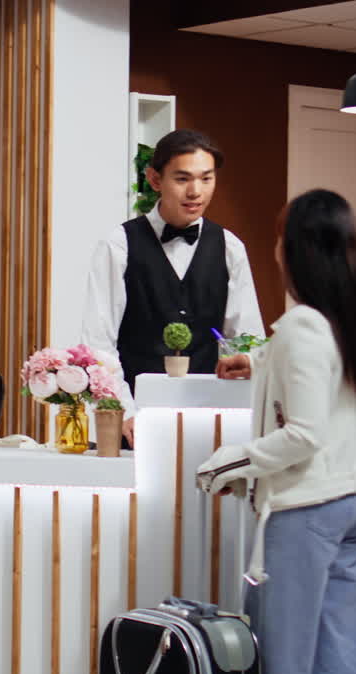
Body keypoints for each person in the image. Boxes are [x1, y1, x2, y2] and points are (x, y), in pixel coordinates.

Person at [197, 189, 356, 674]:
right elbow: (319, 384)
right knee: (338, 664)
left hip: (306, 511)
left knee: (282, 669)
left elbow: (303, 433)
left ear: (296, 251)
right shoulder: (345, 318)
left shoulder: (303, 327)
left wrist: (225, 464)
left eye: (280, 238)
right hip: (355, 501)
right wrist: (260, 363)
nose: (274, 249)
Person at [81, 129, 264, 444]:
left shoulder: (230, 247)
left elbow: (246, 338)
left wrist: (247, 363)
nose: (196, 191)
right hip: (134, 421)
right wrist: (124, 411)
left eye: (206, 179)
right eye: (182, 179)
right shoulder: (119, 245)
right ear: (155, 180)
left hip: (209, 421)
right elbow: (99, 344)